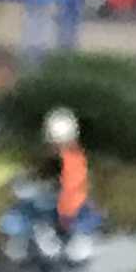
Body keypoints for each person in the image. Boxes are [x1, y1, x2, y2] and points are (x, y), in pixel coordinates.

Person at [44, 104, 93, 255]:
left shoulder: (72, 158)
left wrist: (67, 210)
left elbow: (73, 185)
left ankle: (66, 242)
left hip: (70, 204)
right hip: (59, 200)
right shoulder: (61, 157)